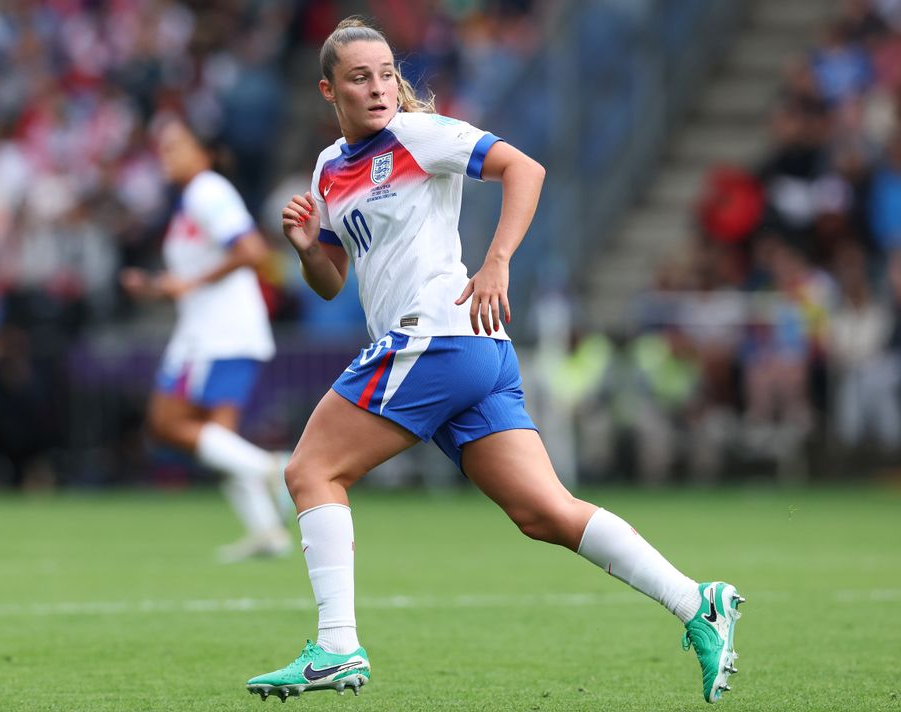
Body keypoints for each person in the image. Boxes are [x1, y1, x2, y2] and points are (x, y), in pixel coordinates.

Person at [246, 17, 743, 704]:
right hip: (467, 353)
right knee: (546, 512)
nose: (380, 87)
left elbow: (523, 168)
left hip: (436, 338)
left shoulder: (417, 135)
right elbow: (333, 278)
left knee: (309, 470)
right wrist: (307, 249)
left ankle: (336, 646)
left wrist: (497, 263)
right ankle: (699, 603)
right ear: (328, 89)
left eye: (387, 72)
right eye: (361, 77)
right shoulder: (330, 168)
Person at [121, 119, 291, 563]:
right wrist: (157, 286)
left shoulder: (206, 191)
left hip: (214, 332)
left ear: (204, 152)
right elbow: (200, 271)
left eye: (176, 146)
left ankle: (274, 469)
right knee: (218, 438)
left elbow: (251, 251)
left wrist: (190, 283)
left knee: (165, 422)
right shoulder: (196, 198)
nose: (166, 155)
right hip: (225, 328)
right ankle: (267, 532)